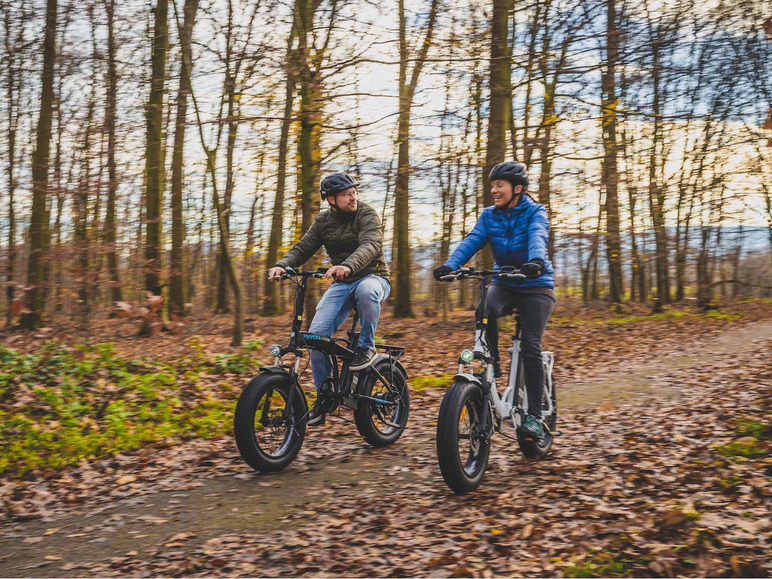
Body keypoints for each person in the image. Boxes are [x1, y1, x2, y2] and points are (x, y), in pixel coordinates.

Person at [433, 161, 555, 439]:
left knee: (530, 347)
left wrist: (536, 261)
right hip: (506, 281)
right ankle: (494, 362)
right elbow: (473, 240)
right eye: (492, 185)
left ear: (518, 188)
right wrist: (451, 265)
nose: (494, 190)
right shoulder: (489, 215)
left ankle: (535, 417)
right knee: (484, 308)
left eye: (499, 185)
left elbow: (538, 235)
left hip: (535, 284)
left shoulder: (536, 211)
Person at [268, 172, 390, 425]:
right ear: (331, 200)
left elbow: (370, 245)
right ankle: (324, 397)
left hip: (373, 277)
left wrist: (347, 265)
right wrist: (282, 265)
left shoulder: (366, 214)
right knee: (316, 337)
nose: (353, 197)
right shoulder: (323, 221)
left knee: (366, 291)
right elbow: (303, 247)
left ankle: (366, 347)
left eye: (354, 192)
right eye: (347, 194)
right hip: (342, 282)